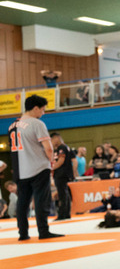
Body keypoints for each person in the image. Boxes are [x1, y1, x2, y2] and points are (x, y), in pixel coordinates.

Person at [7, 95, 62, 240]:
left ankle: (23, 234)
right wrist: (51, 162)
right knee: (40, 200)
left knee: (22, 202)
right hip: (38, 167)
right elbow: (48, 148)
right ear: (36, 108)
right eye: (43, 110)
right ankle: (43, 231)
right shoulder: (37, 124)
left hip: (20, 170)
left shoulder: (12, 126)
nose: (43, 113)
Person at [50, 132, 73, 220]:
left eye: (52, 139)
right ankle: (66, 213)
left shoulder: (61, 147)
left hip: (61, 173)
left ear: (56, 138)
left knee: (62, 194)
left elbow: (61, 160)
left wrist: (52, 168)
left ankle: (62, 214)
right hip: (64, 173)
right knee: (64, 193)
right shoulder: (65, 147)